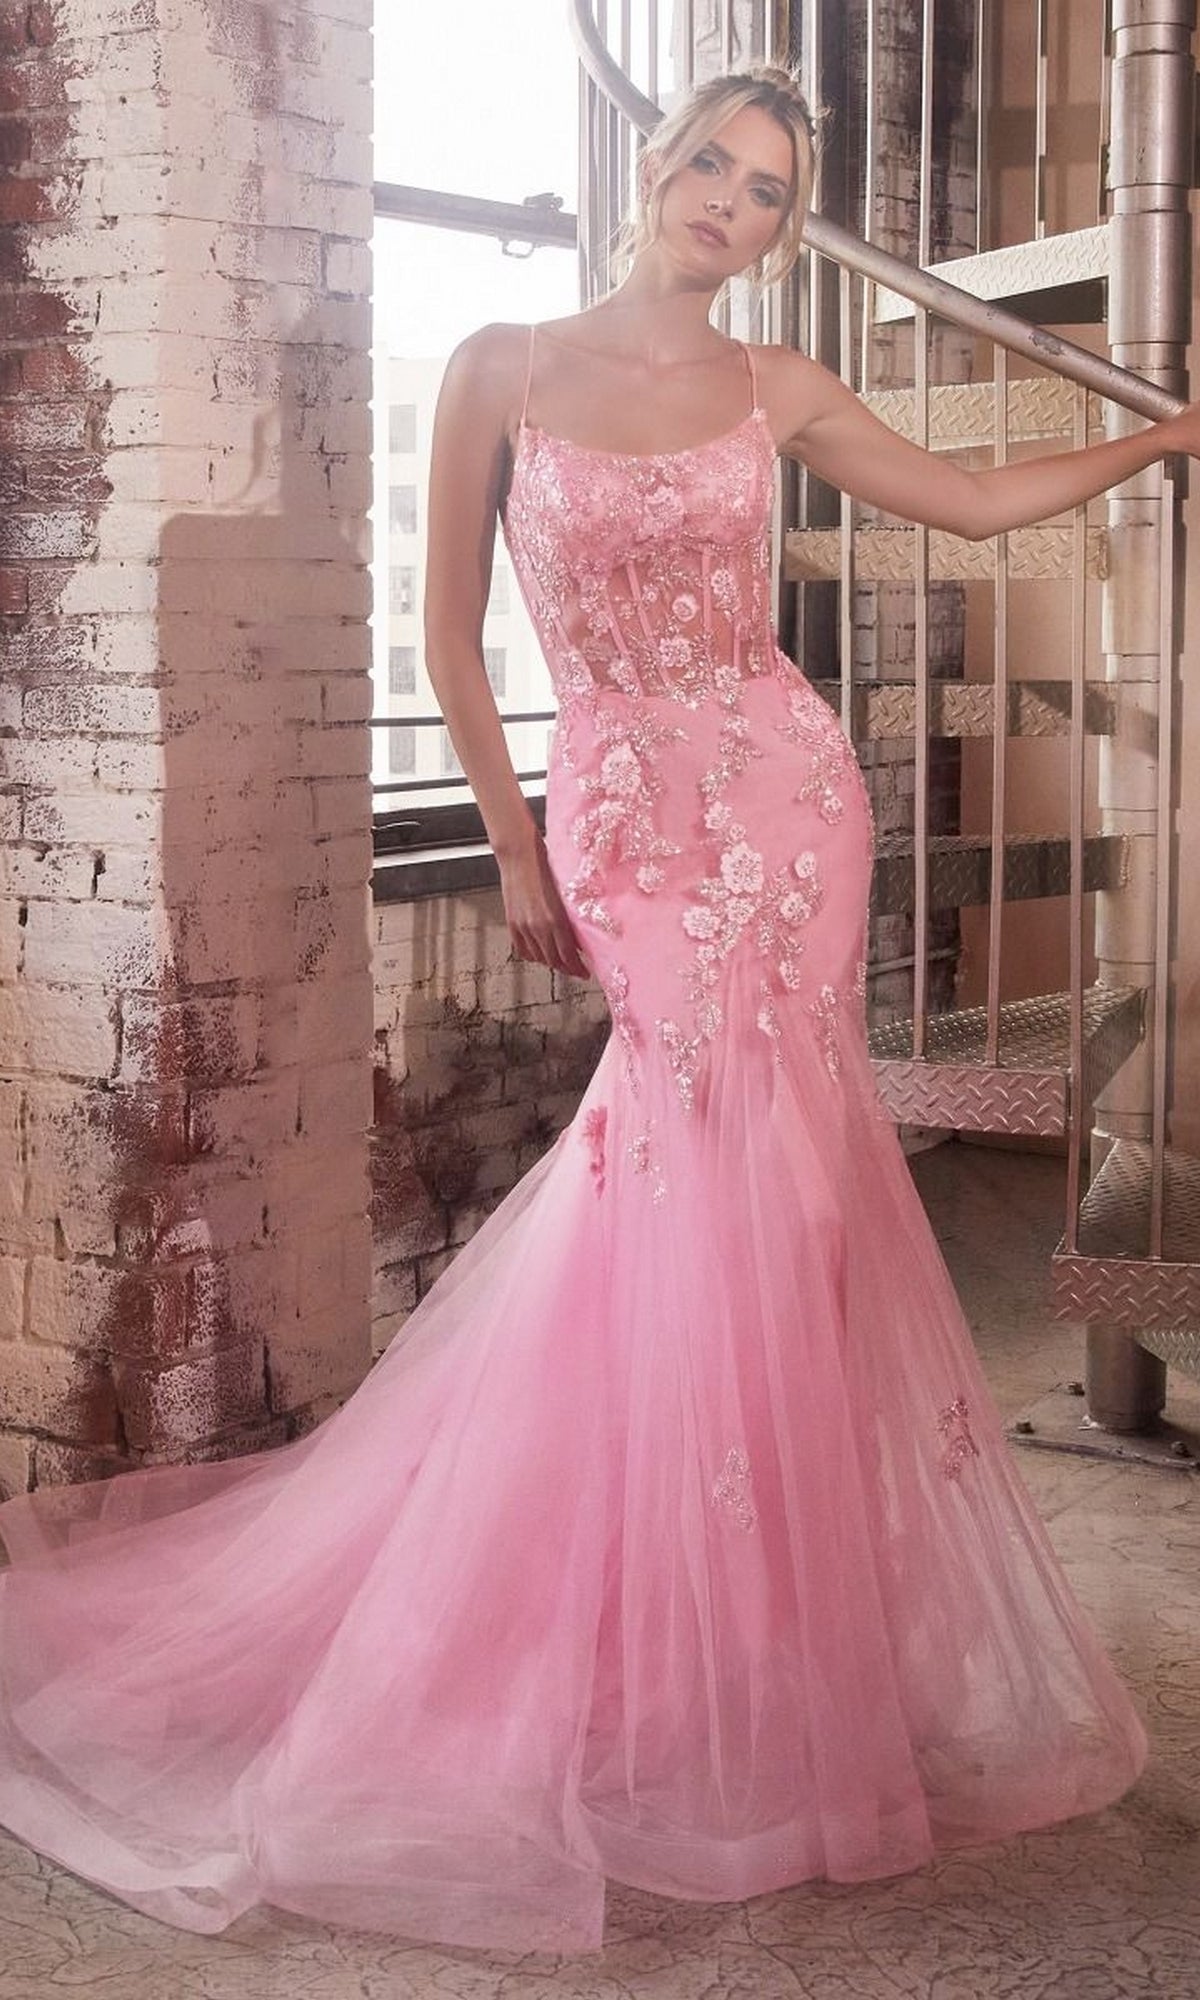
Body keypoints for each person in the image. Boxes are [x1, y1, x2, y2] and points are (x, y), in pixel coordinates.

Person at [0, 63, 1188, 1959]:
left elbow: (967, 500)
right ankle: (649, 1614)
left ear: (786, 232)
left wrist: (1158, 437)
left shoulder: (776, 386)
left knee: (786, 1203)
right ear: (657, 163)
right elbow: (457, 634)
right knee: (673, 1172)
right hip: (627, 813)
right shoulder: (500, 361)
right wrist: (520, 851)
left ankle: (763, 1638)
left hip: (791, 806)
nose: (731, 202)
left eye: (771, 192)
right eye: (714, 163)